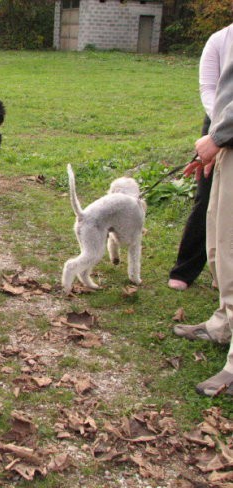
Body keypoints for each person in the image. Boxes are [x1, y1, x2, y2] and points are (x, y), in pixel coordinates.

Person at [174, 37, 233, 396]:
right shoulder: (223, 35)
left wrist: (218, 136)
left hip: (226, 138)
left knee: (231, 248)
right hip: (226, 144)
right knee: (219, 242)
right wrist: (217, 142)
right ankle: (223, 324)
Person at [168, 24, 233, 291]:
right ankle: (186, 269)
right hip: (218, 122)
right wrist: (217, 133)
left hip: (225, 127)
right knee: (208, 198)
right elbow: (208, 87)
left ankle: (223, 276)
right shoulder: (219, 40)